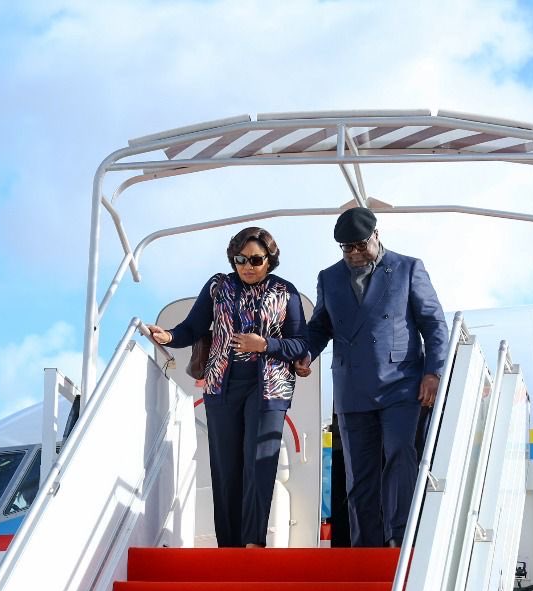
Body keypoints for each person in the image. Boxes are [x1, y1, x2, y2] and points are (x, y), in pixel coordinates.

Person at [146, 227, 308, 548]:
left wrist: (265, 344)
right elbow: (192, 327)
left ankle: (253, 542)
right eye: (240, 259)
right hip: (221, 387)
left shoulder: (285, 292)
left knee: (259, 464)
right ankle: (229, 547)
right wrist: (169, 336)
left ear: (269, 259)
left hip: (269, 388)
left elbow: (300, 343)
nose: (247, 266)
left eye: (255, 260)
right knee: (225, 469)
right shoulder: (218, 286)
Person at [296, 207, 448, 547]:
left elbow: (434, 324)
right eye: (346, 248)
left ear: (376, 235)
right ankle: (365, 546)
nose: (354, 253)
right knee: (359, 474)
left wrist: (434, 372)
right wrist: (306, 353)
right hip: (352, 387)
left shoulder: (408, 268)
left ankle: (400, 538)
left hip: (402, 384)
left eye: (360, 245)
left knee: (400, 455)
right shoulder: (329, 278)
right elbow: (319, 326)